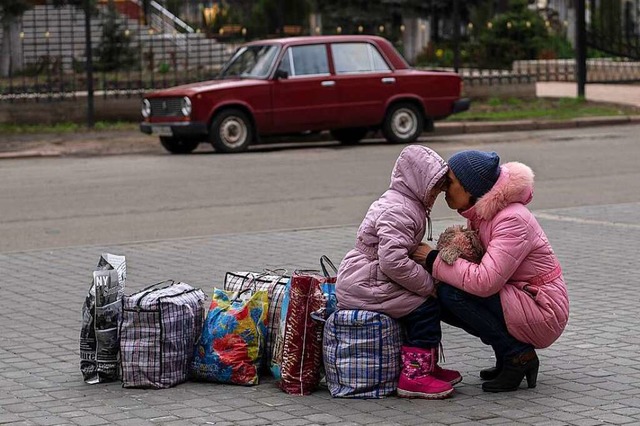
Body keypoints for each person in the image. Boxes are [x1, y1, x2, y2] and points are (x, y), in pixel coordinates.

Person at [414, 150, 569, 393]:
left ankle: (517, 356)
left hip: (543, 307)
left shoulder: (511, 219)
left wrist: (432, 259)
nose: (445, 188)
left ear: (470, 188)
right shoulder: (484, 214)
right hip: (522, 296)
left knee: (451, 295)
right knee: (442, 296)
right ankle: (506, 351)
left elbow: (486, 282)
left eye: (451, 182)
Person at [336, 145, 461, 399]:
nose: (438, 193)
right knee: (424, 307)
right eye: (434, 186)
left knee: (421, 306)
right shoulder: (400, 210)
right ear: (419, 182)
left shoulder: (404, 202)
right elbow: (392, 261)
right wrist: (428, 284)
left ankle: (426, 365)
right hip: (366, 281)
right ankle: (415, 377)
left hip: (369, 276)